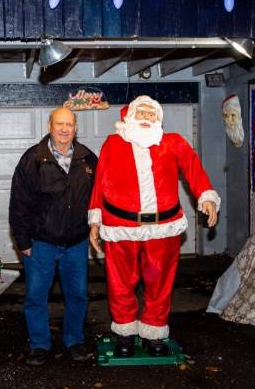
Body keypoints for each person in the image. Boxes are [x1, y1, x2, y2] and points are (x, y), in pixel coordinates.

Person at [88, 95, 220, 357]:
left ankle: (154, 331)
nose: (147, 117)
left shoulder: (173, 142)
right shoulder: (113, 144)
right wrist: (95, 220)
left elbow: (194, 169)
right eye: (142, 112)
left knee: (159, 282)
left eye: (152, 114)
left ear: (158, 119)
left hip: (164, 227)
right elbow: (100, 181)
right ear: (130, 116)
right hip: (120, 226)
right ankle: (125, 333)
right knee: (121, 282)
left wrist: (206, 197)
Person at [9, 107, 98, 366]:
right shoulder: (32, 160)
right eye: (59, 123)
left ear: (76, 127)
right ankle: (39, 344)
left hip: (76, 242)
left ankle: (74, 340)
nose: (64, 129)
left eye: (69, 124)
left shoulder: (88, 159)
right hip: (41, 243)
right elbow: (19, 204)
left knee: (78, 294)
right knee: (36, 295)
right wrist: (22, 241)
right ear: (50, 125)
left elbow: (99, 196)